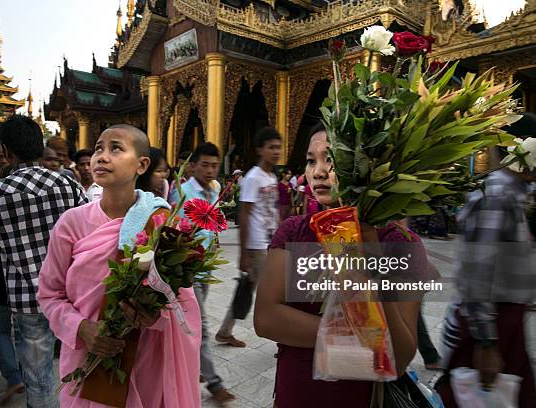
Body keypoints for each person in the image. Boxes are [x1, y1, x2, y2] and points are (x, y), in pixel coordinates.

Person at [253, 123, 432, 406]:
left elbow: (398, 357)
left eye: (332, 160)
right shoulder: (294, 231)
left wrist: (372, 261)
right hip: (297, 392)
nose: (318, 171)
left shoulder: (400, 244)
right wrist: (362, 336)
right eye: (312, 160)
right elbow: (266, 319)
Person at [37, 124, 201, 407]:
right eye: (98, 148)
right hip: (87, 354)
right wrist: (82, 328)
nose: (101, 156)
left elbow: (183, 301)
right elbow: (49, 294)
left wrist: (157, 317)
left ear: (142, 164)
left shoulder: (163, 222)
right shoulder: (72, 223)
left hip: (146, 357)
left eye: (116, 148)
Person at [0, 115, 87, 408]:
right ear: (40, 146)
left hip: (27, 298)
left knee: (38, 375)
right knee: (73, 365)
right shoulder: (67, 183)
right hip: (69, 293)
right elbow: (89, 226)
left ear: (7, 152)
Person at [437, 143, 536, 407]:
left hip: (506, 325)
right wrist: (486, 343)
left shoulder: (516, 193)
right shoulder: (496, 195)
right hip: (488, 329)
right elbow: (478, 272)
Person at [169, 142, 236, 404]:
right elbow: (174, 228)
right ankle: (215, 382)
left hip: (205, 268)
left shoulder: (214, 190)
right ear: (193, 165)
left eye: (214, 165)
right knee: (202, 327)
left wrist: (214, 238)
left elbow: (214, 223)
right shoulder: (181, 192)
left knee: (193, 324)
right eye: (204, 164)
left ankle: (191, 362)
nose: (209, 170)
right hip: (188, 271)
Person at [216, 127, 282, 347]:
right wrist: (244, 253)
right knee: (271, 289)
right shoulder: (253, 177)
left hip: (270, 241)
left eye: (278, 147)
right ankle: (279, 333)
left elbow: (272, 209)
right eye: (271, 147)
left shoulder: (271, 176)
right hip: (256, 245)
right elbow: (244, 214)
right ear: (260, 150)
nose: (276, 151)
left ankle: (225, 331)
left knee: (249, 288)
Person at [0, 164, 25, 404]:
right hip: (31, 272)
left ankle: (13, 376)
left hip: (1, 268)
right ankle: (25, 372)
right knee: (24, 328)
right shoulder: (36, 200)